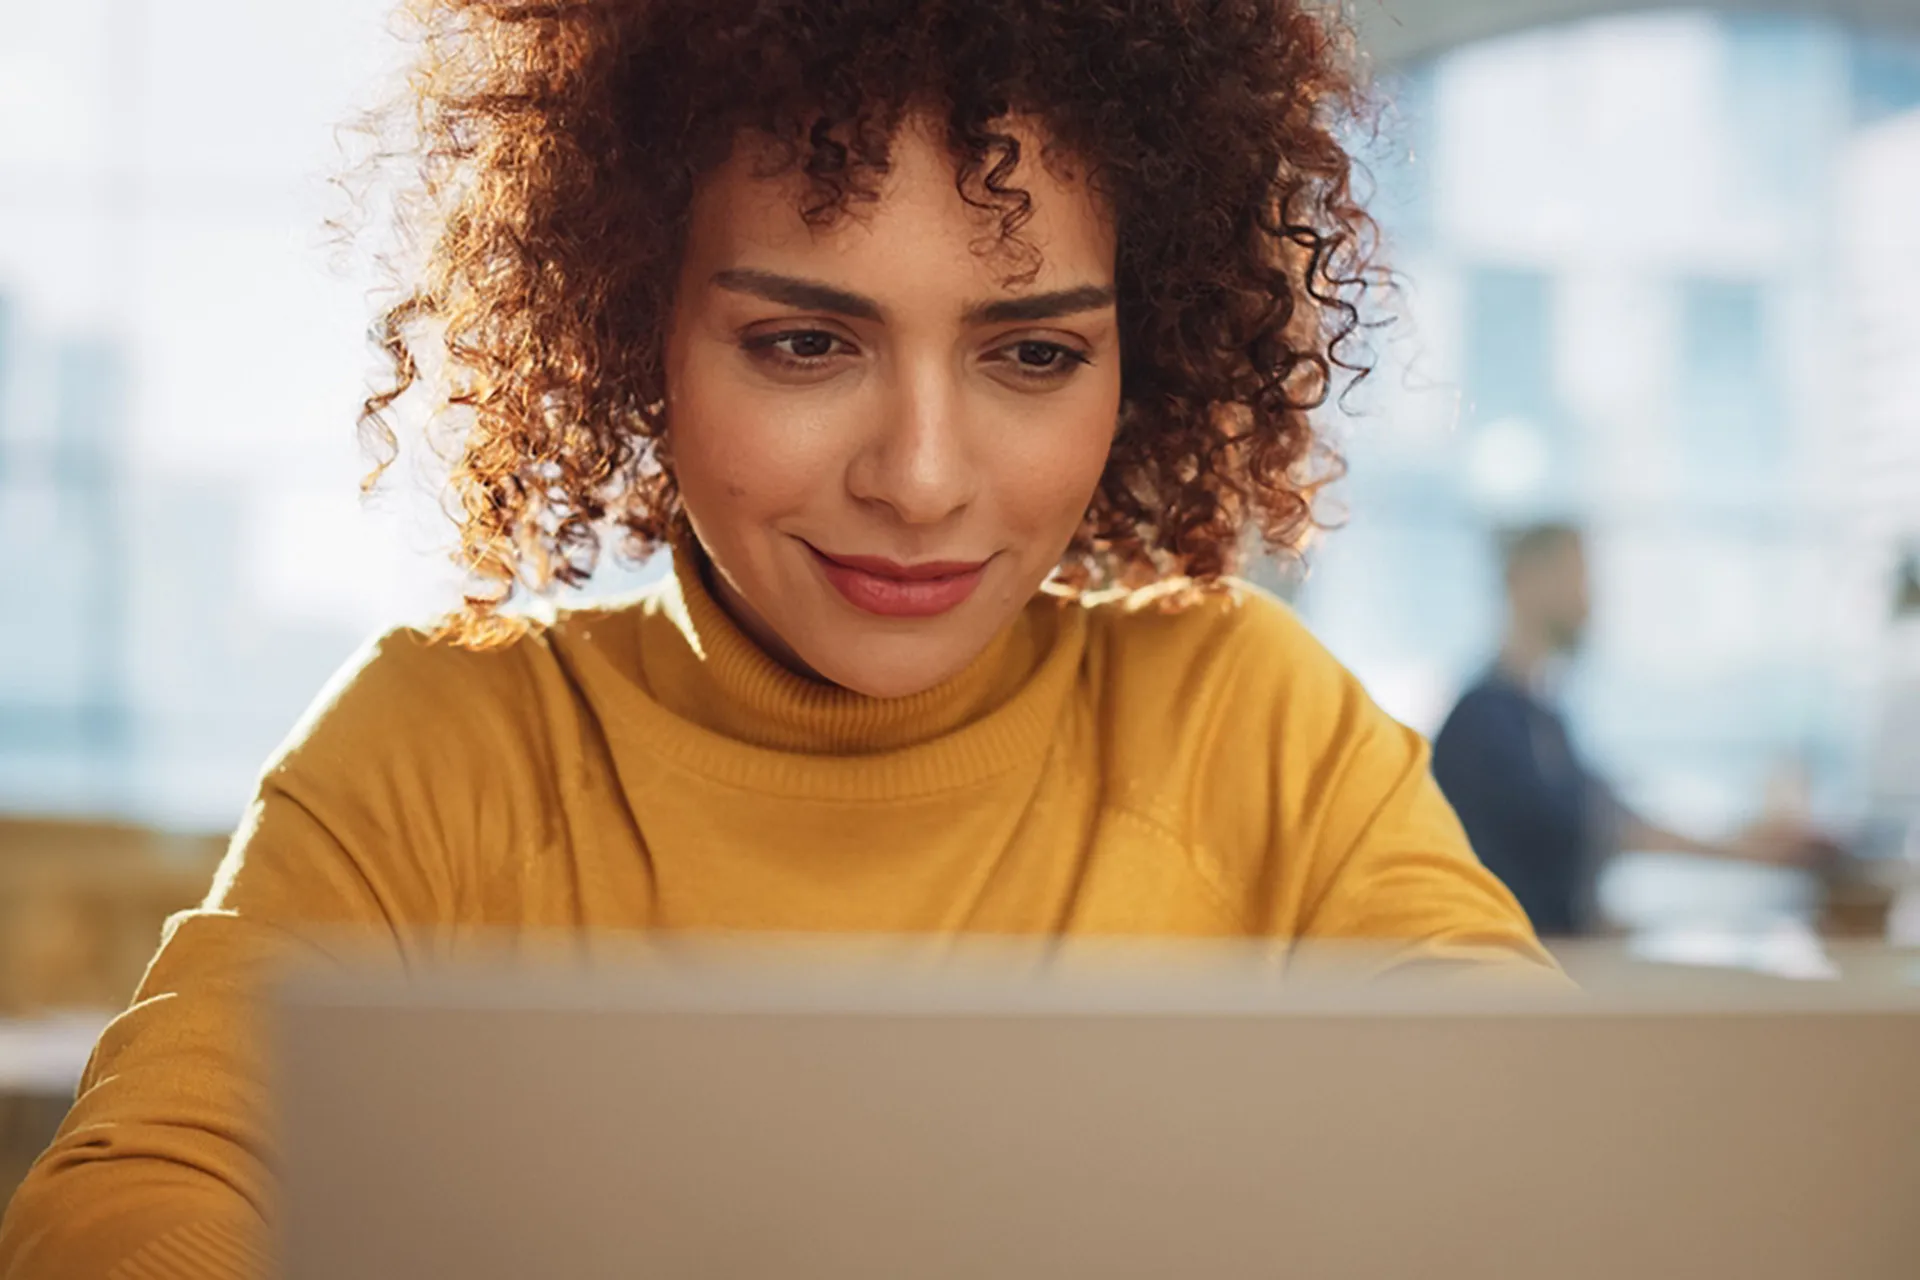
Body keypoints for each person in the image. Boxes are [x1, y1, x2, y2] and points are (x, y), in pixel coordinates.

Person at [0, 2, 1552, 1274]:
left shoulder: (1250, 727)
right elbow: (134, 1209)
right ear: (631, 328)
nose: (923, 477)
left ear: (1138, 361)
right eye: (806, 343)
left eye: (1033, 352)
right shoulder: (444, 748)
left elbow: (1549, 1171)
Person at [1432, 523, 1821, 937]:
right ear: (1524, 580)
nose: (1589, 601)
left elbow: (1608, 814)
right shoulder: (1484, 720)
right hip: (1501, 979)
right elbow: (1598, 828)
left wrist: (1745, 845)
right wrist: (1742, 850)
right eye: (1575, 578)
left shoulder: (1544, 718)